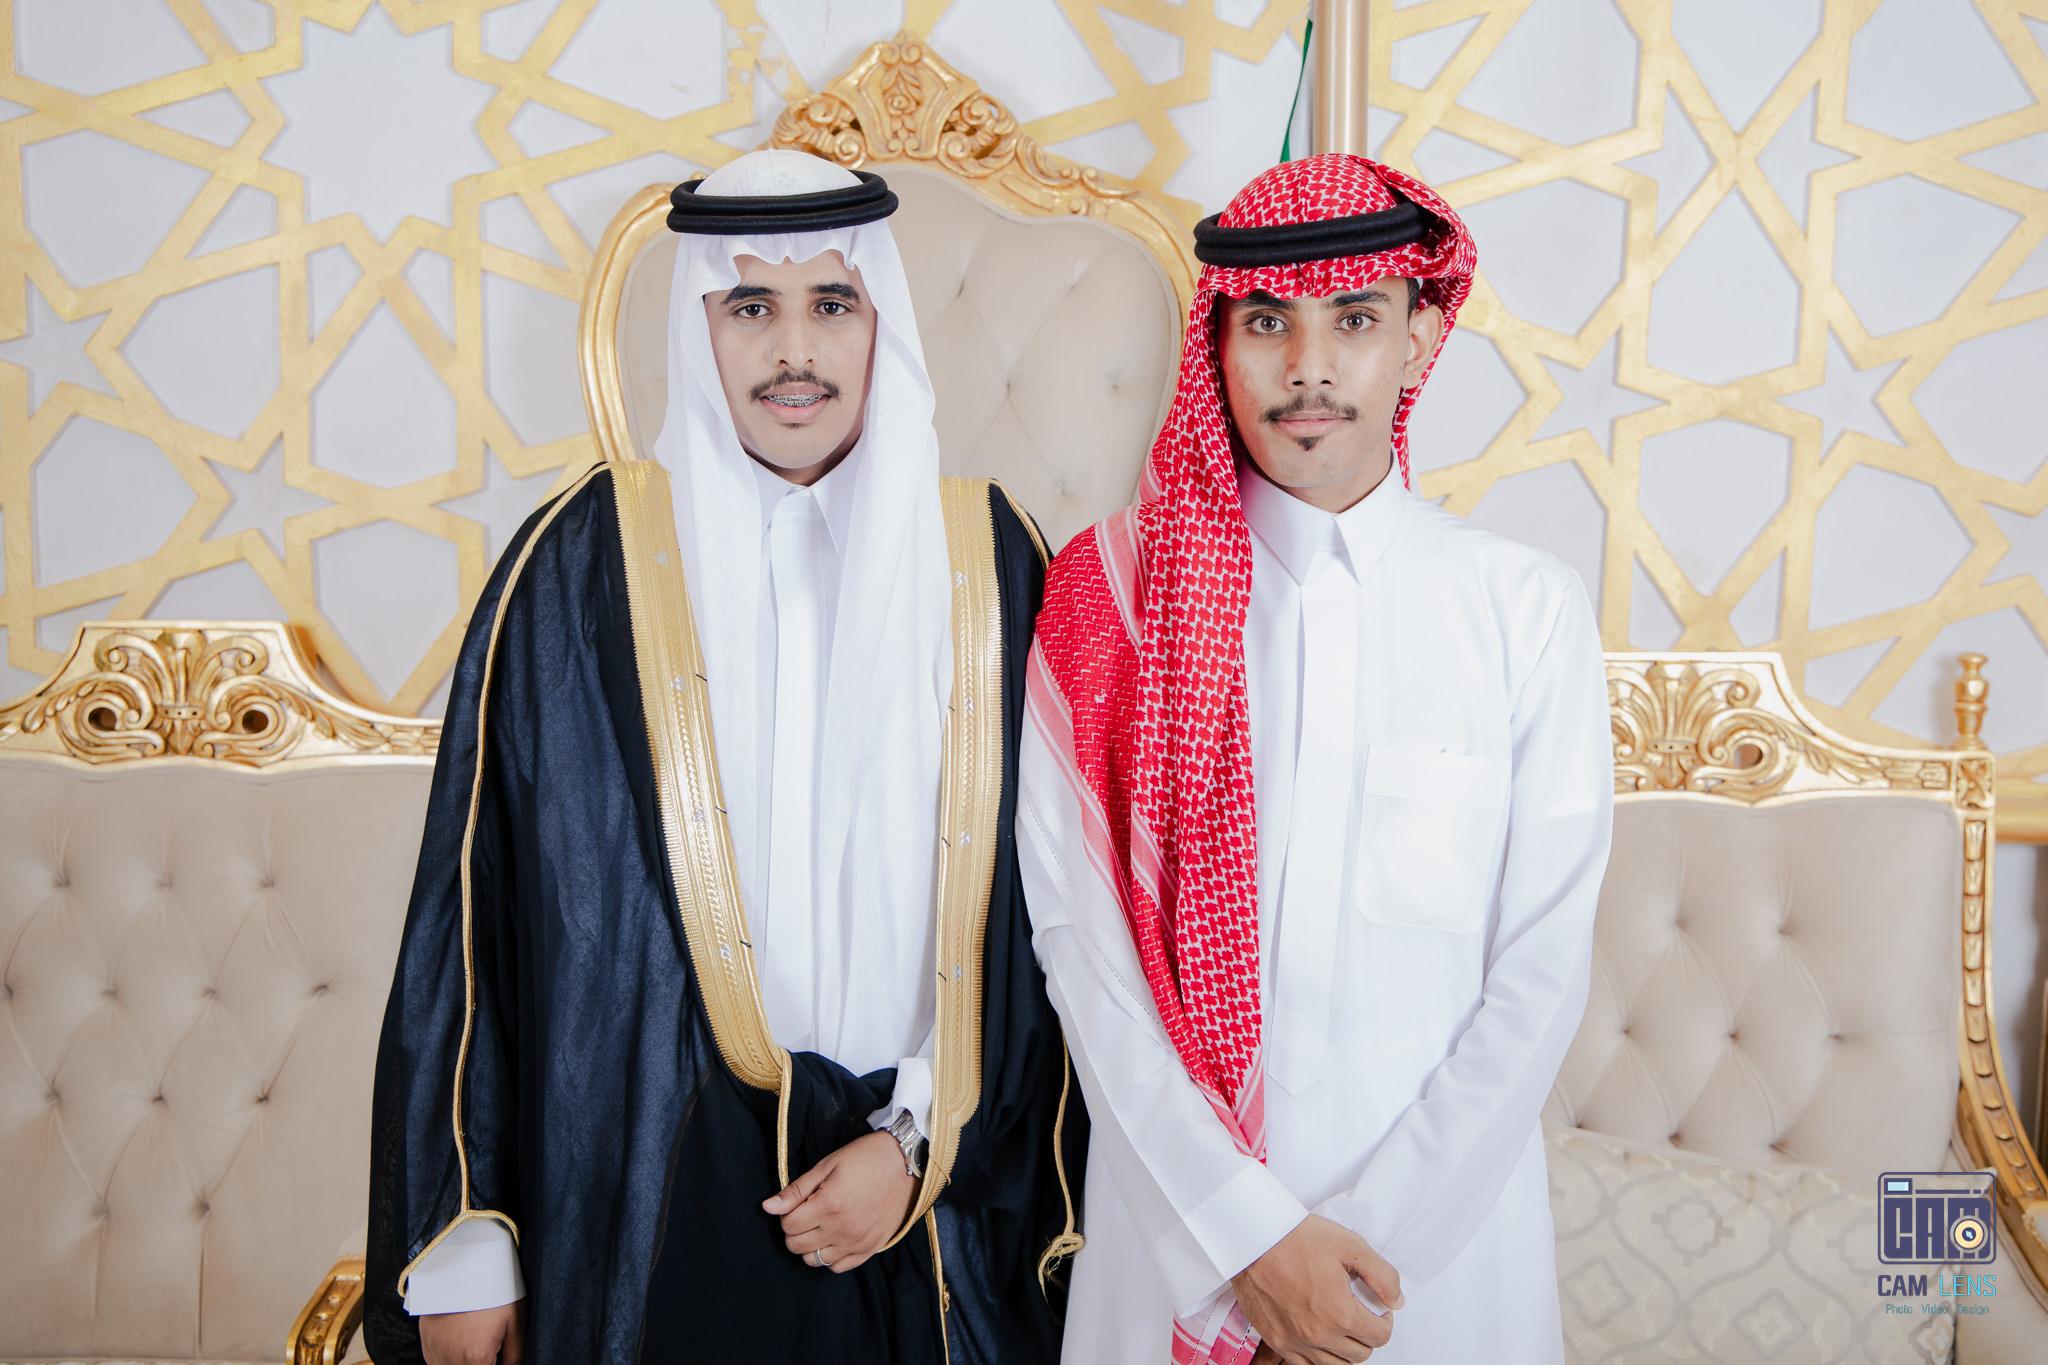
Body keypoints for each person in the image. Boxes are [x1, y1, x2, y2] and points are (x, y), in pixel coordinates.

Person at [365, 149, 1084, 1365]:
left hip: (926, 1214)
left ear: (878, 322)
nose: (793, 350)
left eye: (831, 303)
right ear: (699, 329)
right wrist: (464, 1248)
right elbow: (475, 917)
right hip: (649, 1194)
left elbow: (1049, 915)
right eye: (750, 306)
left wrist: (914, 1142)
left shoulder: (990, 562)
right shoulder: (576, 567)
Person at [1019, 153, 1613, 1364]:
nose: (1306, 366)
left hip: (1434, 1268)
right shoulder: (1113, 599)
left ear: (1418, 337)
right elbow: (1080, 946)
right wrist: (1245, 1241)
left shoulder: (1522, 610)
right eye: (1266, 323)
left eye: (1353, 320)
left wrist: (1349, 1256)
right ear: (1216, 341)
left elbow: (1540, 972)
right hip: (1176, 1242)